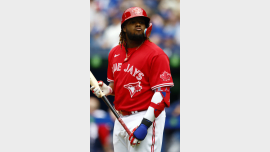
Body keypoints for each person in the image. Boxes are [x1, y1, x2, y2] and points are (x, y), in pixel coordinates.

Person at [91, 6, 174, 152]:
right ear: (123, 27)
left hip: (145, 115)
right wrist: (108, 89)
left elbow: (162, 93)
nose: (138, 24)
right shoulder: (114, 53)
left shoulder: (156, 54)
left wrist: (144, 125)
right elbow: (119, 87)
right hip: (120, 116)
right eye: (133, 21)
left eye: (142, 21)